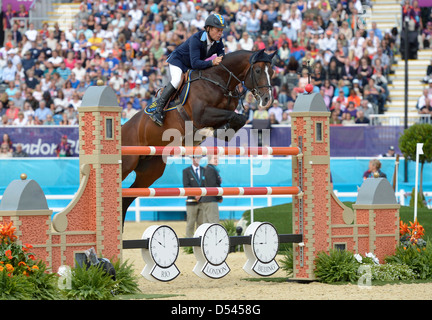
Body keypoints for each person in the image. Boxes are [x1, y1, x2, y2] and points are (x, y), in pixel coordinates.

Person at [150, 13, 227, 126]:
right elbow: (195, 63)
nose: (220, 33)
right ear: (209, 28)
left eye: (221, 30)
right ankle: (158, 110)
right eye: (217, 30)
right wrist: (212, 62)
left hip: (191, 65)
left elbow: (222, 55)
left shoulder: (218, 41)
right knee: (177, 80)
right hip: (178, 61)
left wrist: (221, 57)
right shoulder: (196, 39)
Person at [183, 155, 205, 237]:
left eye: (198, 158)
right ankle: (189, 244)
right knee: (190, 223)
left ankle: (199, 241)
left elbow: (205, 184)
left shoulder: (204, 170)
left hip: (202, 201)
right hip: (191, 201)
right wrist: (195, 194)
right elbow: (186, 186)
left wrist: (200, 194)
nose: (196, 159)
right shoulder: (186, 171)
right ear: (192, 159)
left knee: (201, 224)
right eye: (195, 157)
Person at [201, 155, 223, 224]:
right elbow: (213, 186)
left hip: (206, 199)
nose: (217, 160)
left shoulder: (207, 169)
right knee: (214, 223)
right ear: (209, 160)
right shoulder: (211, 170)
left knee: (206, 224)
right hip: (211, 200)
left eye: (217, 158)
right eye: (215, 158)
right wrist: (219, 197)